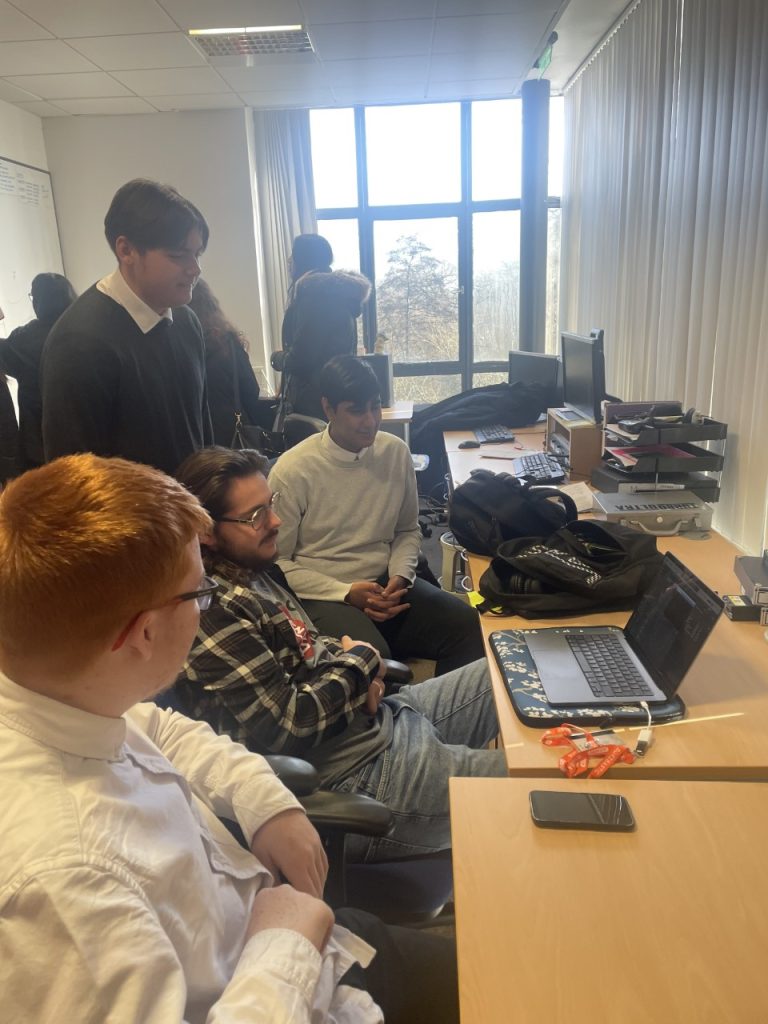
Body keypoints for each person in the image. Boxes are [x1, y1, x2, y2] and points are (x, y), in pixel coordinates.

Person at [0, 453, 459, 1024]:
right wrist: (286, 939)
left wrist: (264, 802)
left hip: (295, 935)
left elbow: (160, 728)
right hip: (283, 974)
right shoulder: (70, 885)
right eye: (199, 595)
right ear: (143, 632)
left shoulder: (60, 698)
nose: (208, 605)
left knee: (493, 970)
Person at [174, 445, 506, 865]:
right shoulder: (211, 610)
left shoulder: (255, 572)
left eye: (269, 505)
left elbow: (310, 647)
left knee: (509, 666)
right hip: (363, 772)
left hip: (380, 720)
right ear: (204, 529)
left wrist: (355, 672)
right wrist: (362, 663)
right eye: (255, 516)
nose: (275, 521)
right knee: (541, 786)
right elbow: (290, 723)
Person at [268, 355, 486, 674]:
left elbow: (406, 531)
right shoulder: (293, 471)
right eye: (356, 410)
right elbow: (277, 564)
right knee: (373, 660)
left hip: (385, 584)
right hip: (324, 591)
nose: (370, 420)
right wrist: (345, 592)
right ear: (328, 409)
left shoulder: (395, 452)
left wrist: (400, 575)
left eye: (375, 406)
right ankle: (398, 716)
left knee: (470, 626)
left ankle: (446, 715)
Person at [41, 179, 213, 475]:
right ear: (126, 250)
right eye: (178, 255)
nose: (194, 269)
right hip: (134, 519)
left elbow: (201, 431)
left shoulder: (186, 321)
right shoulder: (80, 343)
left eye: (196, 254)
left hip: (193, 513)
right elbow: (73, 479)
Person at [0, 272, 77, 469]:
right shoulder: (86, 331)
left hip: (40, 442)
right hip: (84, 432)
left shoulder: (23, 340)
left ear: (38, 302)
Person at [188, 278, 263, 447]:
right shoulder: (227, 343)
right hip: (231, 432)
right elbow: (251, 390)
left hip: (197, 436)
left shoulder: (181, 345)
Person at [280, 233, 334, 354]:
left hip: (317, 373)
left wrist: (277, 358)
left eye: (293, 255)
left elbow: (302, 356)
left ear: (303, 260)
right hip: (330, 372)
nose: (289, 260)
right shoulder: (329, 292)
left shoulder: (312, 298)